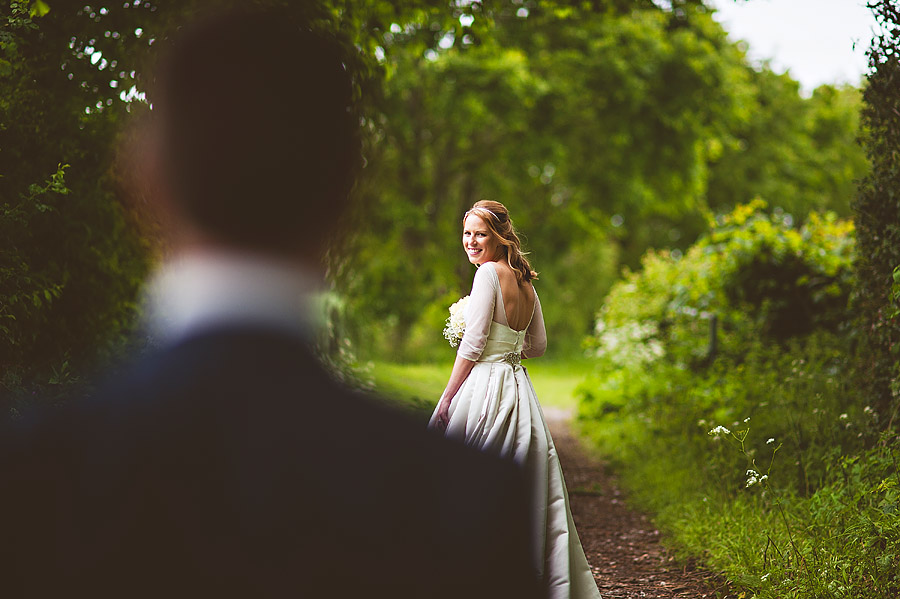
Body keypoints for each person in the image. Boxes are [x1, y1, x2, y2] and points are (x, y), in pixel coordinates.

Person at [0, 10, 543, 598]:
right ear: (343, 193)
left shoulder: (35, 470)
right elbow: (535, 346)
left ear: (144, 180)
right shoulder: (463, 494)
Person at [430, 200, 602, 599]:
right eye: (467, 233)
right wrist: (507, 350)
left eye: (480, 234)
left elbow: (472, 345)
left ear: (499, 237)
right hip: (517, 387)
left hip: (485, 387)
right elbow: (538, 346)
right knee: (528, 481)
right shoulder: (526, 281)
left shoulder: (488, 274)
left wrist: (447, 397)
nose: (471, 242)